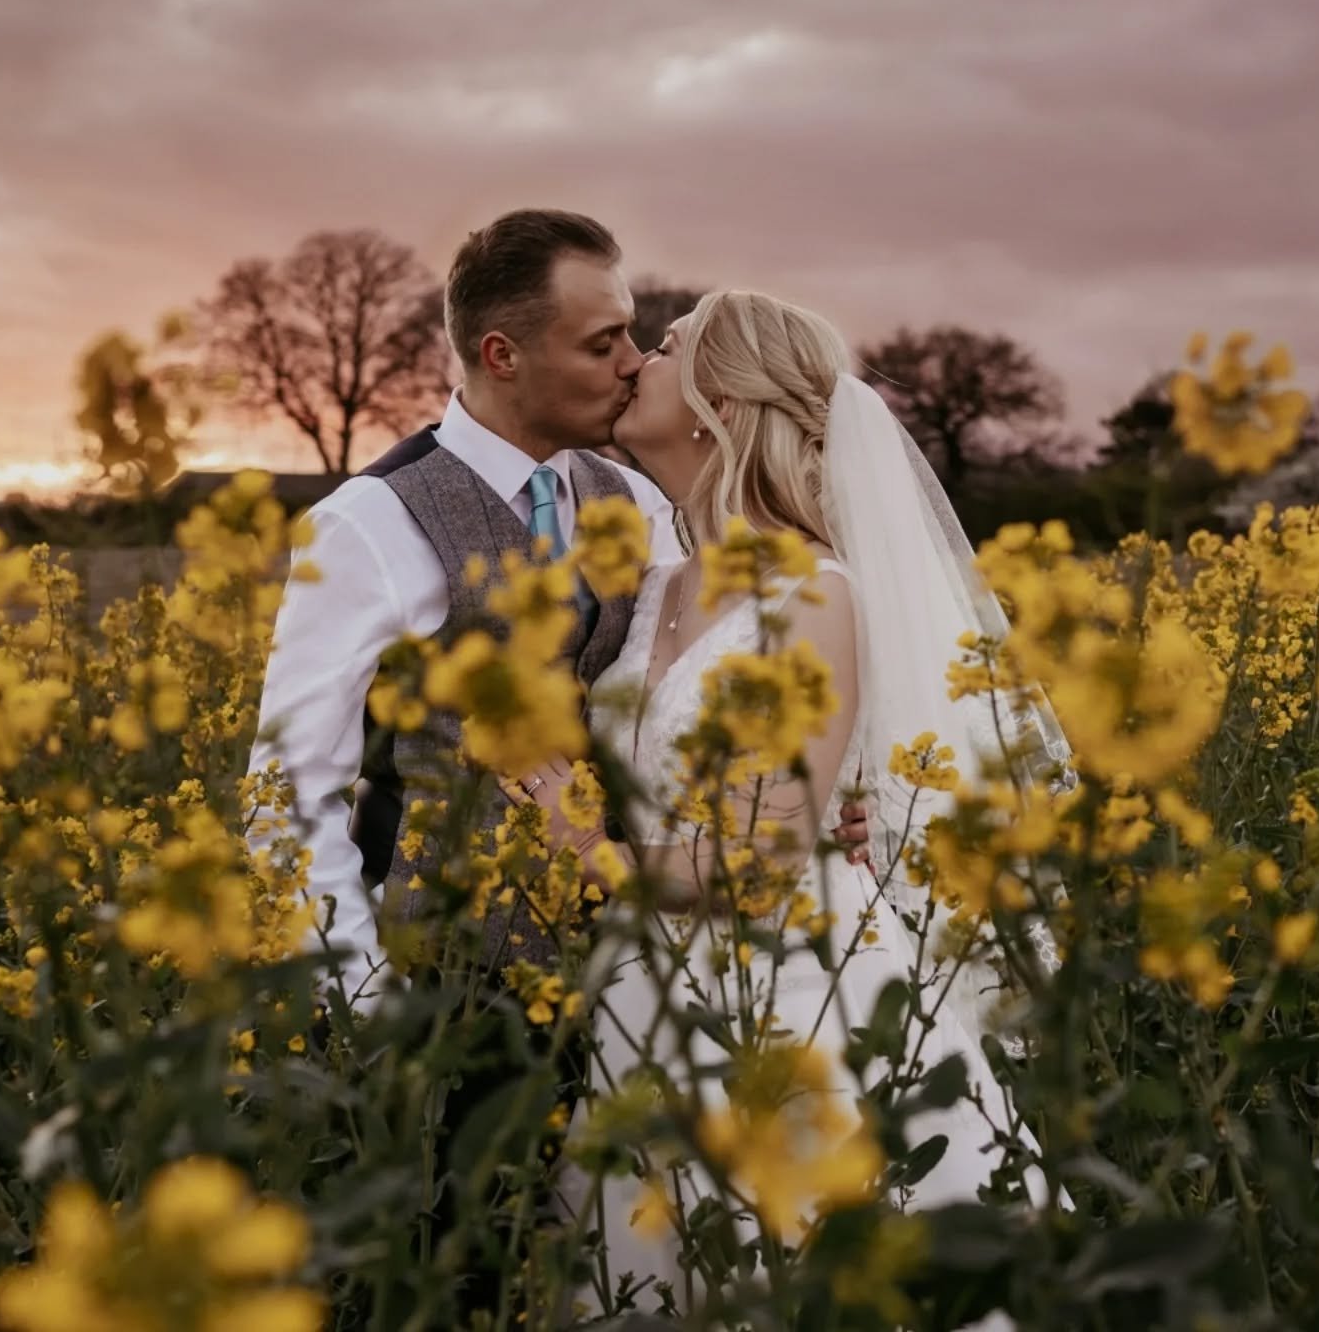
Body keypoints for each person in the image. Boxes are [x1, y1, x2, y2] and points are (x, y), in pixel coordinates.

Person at [527, 290, 1071, 1312]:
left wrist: (582, 849)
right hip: (646, 1001)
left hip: (792, 999)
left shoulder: (813, 595)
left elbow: (762, 861)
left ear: (718, 404)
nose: (638, 356)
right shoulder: (655, 586)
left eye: (670, 345)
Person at [247, 213, 874, 1006]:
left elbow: (731, 673)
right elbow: (291, 792)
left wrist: (830, 810)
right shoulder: (366, 524)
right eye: (600, 344)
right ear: (502, 355)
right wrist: (361, 998)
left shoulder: (642, 505)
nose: (632, 364)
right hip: (449, 989)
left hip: (633, 982)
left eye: (633, 337)